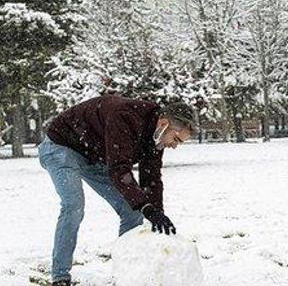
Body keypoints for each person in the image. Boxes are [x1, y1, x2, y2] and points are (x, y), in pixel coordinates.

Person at [38, 95, 196, 286]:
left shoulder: (156, 136)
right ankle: (60, 277)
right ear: (163, 123)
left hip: (95, 157)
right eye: (176, 139)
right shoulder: (124, 116)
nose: (175, 146)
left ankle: (126, 273)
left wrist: (156, 212)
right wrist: (146, 206)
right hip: (61, 147)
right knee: (73, 205)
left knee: (132, 210)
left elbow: (151, 177)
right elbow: (120, 168)